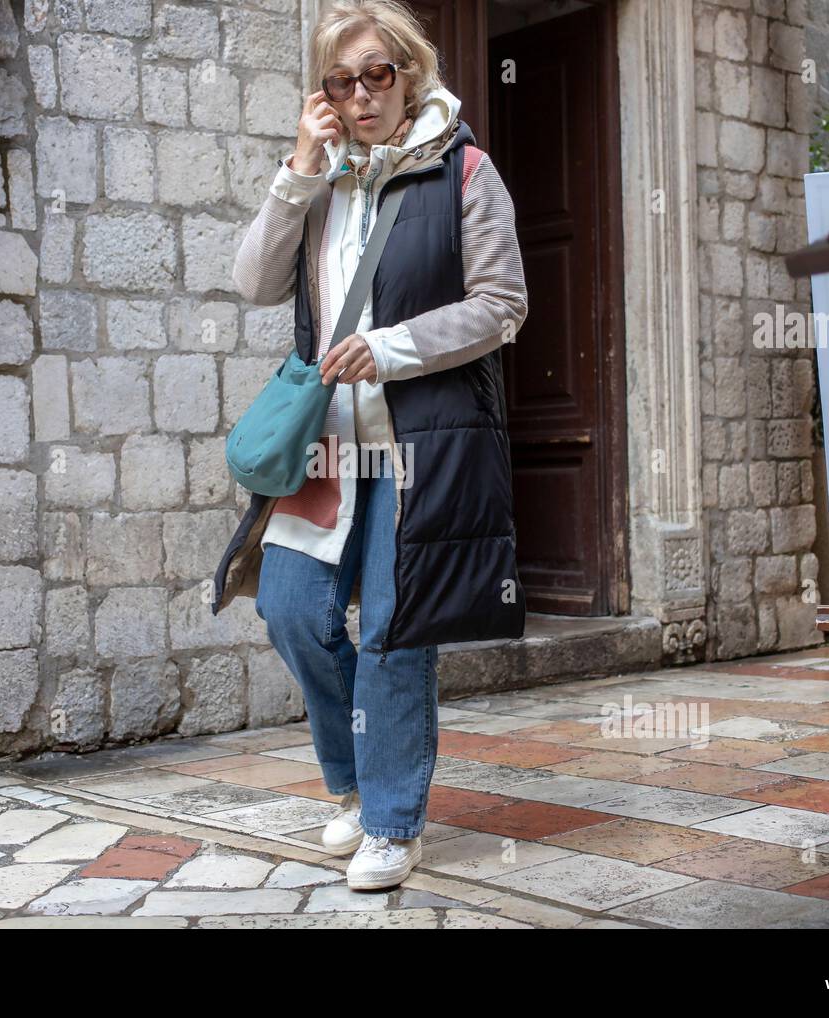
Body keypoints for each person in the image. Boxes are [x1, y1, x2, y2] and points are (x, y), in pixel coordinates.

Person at [212, 0, 529, 891]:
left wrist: (389, 349)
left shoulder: (464, 171)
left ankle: (393, 821)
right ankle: (355, 782)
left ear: (409, 75)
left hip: (422, 444)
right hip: (327, 447)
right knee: (291, 609)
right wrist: (297, 171)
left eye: (376, 74)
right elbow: (252, 282)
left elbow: (503, 306)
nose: (360, 94)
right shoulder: (318, 187)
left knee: (394, 631)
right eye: (340, 81)